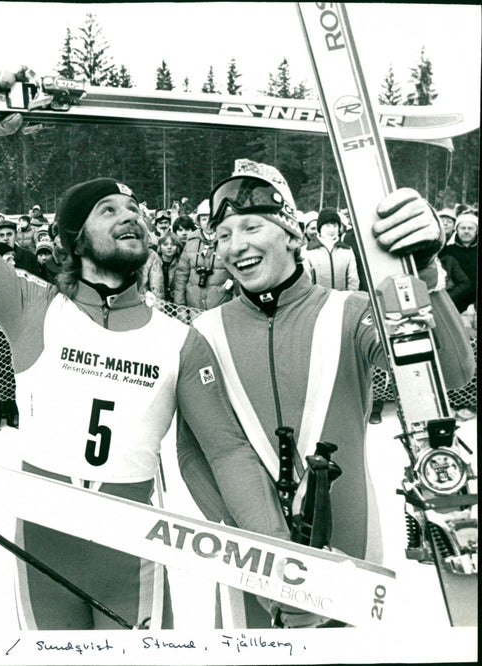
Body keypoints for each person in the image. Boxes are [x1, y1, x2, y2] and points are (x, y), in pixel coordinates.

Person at [0, 111, 295, 630]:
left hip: (134, 551)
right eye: (108, 210)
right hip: (42, 546)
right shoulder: (33, 308)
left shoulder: (180, 341)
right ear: (75, 239)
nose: (131, 217)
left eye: (134, 209)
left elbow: (226, 453)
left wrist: (276, 557)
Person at [187, 159, 474, 627]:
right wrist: (271, 558)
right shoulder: (204, 333)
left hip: (351, 553)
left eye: (251, 226)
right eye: (221, 236)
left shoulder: (352, 312)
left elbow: (452, 372)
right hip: (253, 569)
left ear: (293, 236)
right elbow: (194, 457)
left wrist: (422, 268)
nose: (235, 246)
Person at [173, 200, 233, 311]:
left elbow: (237, 277)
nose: (208, 222)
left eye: (211, 218)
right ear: (199, 222)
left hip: (222, 306)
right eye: (204, 219)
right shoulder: (191, 241)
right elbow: (181, 275)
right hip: (193, 306)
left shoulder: (229, 240)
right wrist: (180, 307)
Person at [301, 208, 359, 291]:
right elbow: (305, 282)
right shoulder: (306, 251)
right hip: (318, 302)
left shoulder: (347, 250)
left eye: (335, 226)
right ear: (319, 228)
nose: (331, 230)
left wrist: (348, 298)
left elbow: (353, 281)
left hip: (341, 301)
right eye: (327, 226)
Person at [440, 212, 477, 312]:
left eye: (470, 228)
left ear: (476, 231)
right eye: (463, 228)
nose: (466, 231)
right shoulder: (448, 251)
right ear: (456, 230)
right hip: (455, 305)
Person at [156, 231, 183, 302]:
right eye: (165, 244)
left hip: (174, 301)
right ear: (160, 246)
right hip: (156, 301)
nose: (169, 247)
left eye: (173, 245)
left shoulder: (181, 262)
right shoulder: (154, 262)